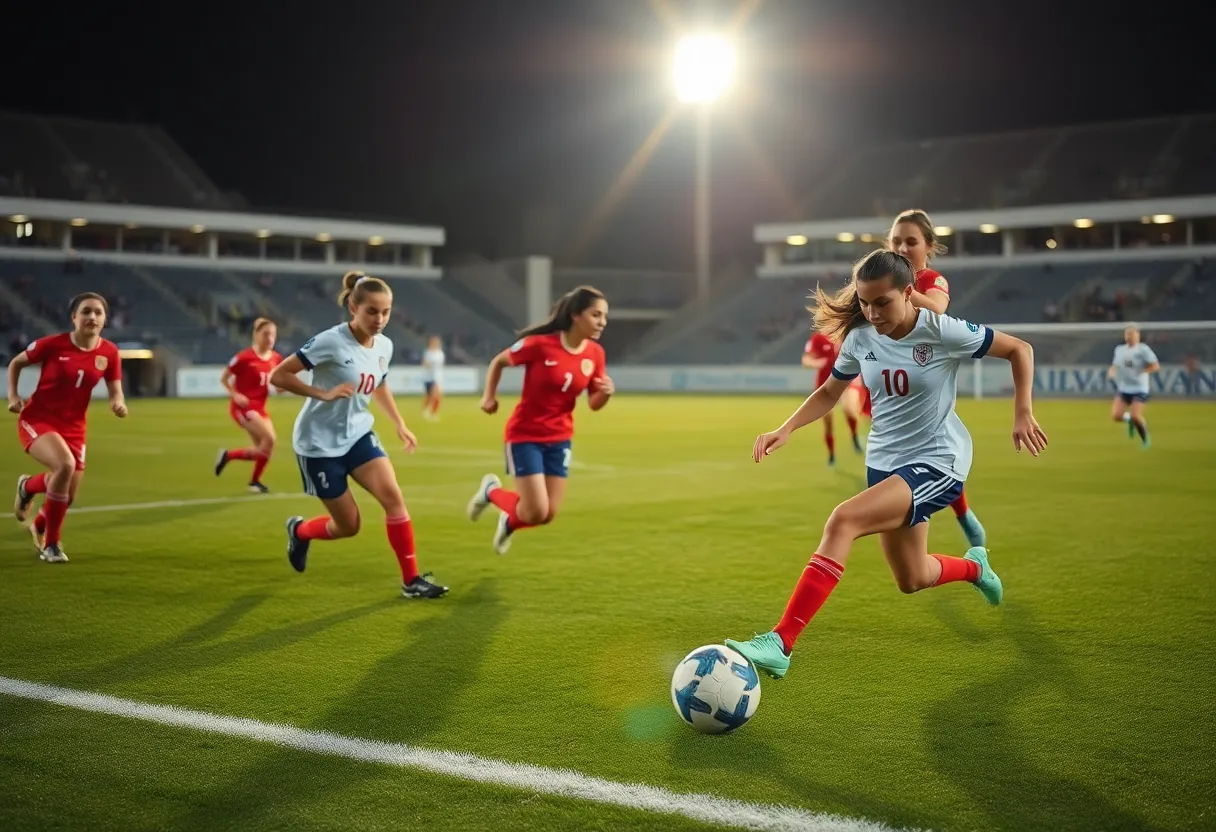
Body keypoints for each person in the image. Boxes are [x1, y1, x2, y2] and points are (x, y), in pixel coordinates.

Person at [725, 250, 1047, 679]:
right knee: (912, 577)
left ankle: (780, 642)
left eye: (882, 303)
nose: (872, 313)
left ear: (909, 293)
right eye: (864, 302)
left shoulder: (941, 330)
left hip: (938, 462)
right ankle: (975, 567)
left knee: (843, 520)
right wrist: (786, 428)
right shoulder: (860, 337)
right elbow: (828, 393)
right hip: (885, 464)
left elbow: (1019, 349)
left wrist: (1022, 410)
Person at [270, 271, 448, 599]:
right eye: (372, 311)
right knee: (349, 526)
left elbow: (378, 383)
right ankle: (300, 530)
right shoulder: (330, 341)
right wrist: (320, 394)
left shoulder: (386, 345)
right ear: (353, 307)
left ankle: (411, 581)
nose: (380, 319)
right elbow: (278, 375)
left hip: (357, 436)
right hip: (318, 445)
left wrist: (399, 423)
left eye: (386, 312)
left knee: (394, 499)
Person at [467, 286, 613, 555]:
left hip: (560, 439)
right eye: (596, 315)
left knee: (547, 514)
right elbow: (499, 361)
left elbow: (593, 404)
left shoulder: (595, 354)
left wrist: (605, 395)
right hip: (526, 436)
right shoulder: (540, 345)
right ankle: (491, 491)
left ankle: (509, 521)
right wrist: (489, 397)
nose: (602, 322)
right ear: (576, 316)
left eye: (604, 316)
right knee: (535, 510)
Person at [888, 208, 986, 548]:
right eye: (896, 241)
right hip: (895, 376)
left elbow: (937, 308)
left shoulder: (931, 279)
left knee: (935, 446)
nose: (902, 248)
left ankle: (963, 516)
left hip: (926, 371)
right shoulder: (883, 278)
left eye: (911, 242)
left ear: (929, 245)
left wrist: (902, 289)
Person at [8, 292, 127, 563]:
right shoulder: (52, 345)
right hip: (38, 419)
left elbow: (115, 389)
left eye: (98, 312)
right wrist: (13, 396)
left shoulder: (109, 352)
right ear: (73, 317)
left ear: (105, 319)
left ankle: (32, 501)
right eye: (86, 311)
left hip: (74, 427)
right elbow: (17, 362)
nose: (92, 317)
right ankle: (51, 545)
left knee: (67, 493)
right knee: (64, 466)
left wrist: (117, 403)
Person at [215, 317, 282, 492]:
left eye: (273, 335)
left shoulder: (276, 358)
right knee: (270, 439)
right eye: (266, 334)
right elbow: (224, 379)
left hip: (260, 408)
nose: (270, 339)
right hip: (244, 407)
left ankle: (245, 473)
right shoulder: (243, 358)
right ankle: (251, 478)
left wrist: (284, 386)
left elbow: (277, 384)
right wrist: (235, 394)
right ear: (256, 335)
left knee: (264, 449)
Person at [802, 331, 864, 465]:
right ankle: (831, 454)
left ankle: (854, 436)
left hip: (847, 382)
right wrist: (816, 362)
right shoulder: (818, 338)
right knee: (828, 422)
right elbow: (806, 359)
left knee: (851, 411)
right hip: (825, 385)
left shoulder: (849, 335)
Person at [1107, 324, 1159, 448]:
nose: (1129, 336)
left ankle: (1145, 439)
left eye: (1132, 334)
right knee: (1116, 416)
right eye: (1127, 334)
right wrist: (1112, 372)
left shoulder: (1143, 350)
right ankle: (1129, 420)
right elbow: (1115, 365)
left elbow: (1155, 366)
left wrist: (1143, 372)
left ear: (1138, 335)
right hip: (1124, 388)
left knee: (1136, 416)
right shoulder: (1119, 350)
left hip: (1139, 389)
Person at [421, 335, 445, 421]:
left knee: (437, 395)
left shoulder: (440, 353)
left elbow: (440, 365)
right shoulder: (427, 353)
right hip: (428, 377)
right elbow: (424, 364)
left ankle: (434, 413)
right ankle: (425, 410)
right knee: (429, 396)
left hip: (437, 377)